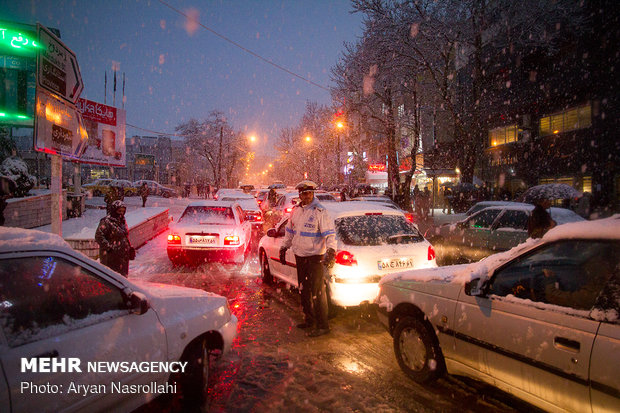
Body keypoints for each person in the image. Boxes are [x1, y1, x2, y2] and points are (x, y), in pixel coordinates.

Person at [279, 180, 337, 337]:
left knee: (318, 292)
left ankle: (323, 325)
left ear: (313, 194)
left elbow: (330, 234)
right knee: (303, 290)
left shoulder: (320, 212)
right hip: (300, 256)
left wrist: (331, 251)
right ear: (300, 195)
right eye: (304, 194)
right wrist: (284, 247)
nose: (307, 196)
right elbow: (290, 232)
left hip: (315, 257)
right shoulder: (297, 211)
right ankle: (309, 319)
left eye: (310, 193)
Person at [95, 200, 135, 277]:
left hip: (122, 257)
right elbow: (99, 236)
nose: (121, 213)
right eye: (119, 211)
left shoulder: (122, 221)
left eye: (123, 211)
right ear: (114, 210)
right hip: (111, 258)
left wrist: (129, 248)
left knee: (122, 279)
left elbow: (124, 236)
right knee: (112, 279)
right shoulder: (106, 221)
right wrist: (109, 248)